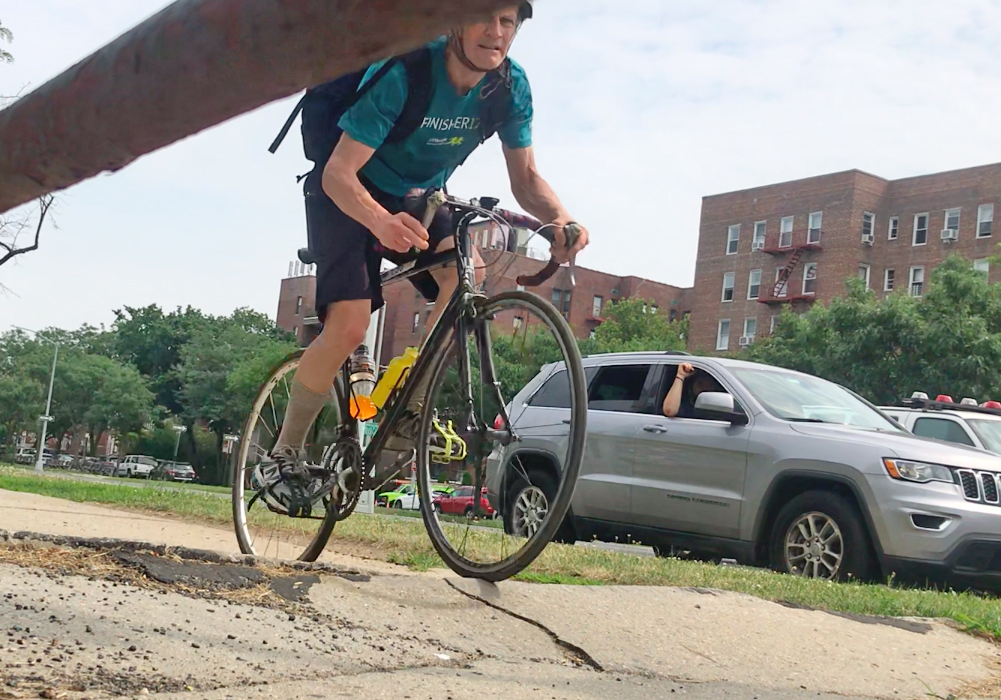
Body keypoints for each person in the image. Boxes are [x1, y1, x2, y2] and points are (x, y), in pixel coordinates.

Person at [256, 2, 591, 513]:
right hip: (347, 191)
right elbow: (338, 173)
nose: (495, 32)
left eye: (508, 21)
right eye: (484, 16)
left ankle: (409, 403)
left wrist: (561, 218)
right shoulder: (407, 68)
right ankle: (282, 454)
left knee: (470, 276)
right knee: (347, 325)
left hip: (420, 196)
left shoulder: (508, 87)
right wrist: (379, 221)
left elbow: (525, 180)